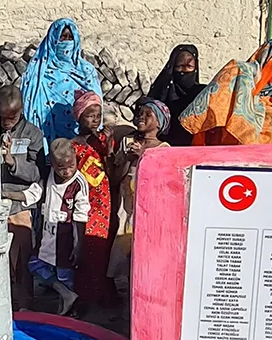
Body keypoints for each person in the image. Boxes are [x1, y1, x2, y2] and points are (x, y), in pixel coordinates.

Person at [180, 40, 272, 145]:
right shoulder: (239, 73)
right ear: (268, 59)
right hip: (223, 153)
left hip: (263, 163)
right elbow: (210, 108)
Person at [20, 140, 90, 316]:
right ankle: (65, 295)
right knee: (34, 264)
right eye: (61, 168)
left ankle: (69, 312)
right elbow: (34, 193)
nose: (67, 171)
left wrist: (79, 245)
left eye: (71, 166)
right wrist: (7, 194)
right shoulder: (47, 175)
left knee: (65, 275)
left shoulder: (79, 183)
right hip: (47, 236)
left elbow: (81, 217)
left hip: (66, 238)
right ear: (52, 163)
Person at [71, 90, 126, 305]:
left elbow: (112, 173)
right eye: (90, 115)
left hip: (105, 201)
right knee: (87, 249)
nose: (95, 120)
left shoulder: (104, 141)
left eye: (98, 115)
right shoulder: (73, 145)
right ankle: (87, 297)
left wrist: (110, 148)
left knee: (104, 246)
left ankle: (104, 294)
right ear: (79, 116)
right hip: (84, 203)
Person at [0, 85, 47, 306]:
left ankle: (25, 301)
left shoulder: (33, 134)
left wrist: (14, 163)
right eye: (2, 116)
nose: (7, 122)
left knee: (22, 256)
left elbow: (38, 173)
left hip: (19, 205)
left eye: (12, 117)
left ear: (22, 109)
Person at [109, 99, 170, 287]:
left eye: (148, 114)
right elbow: (116, 177)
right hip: (125, 209)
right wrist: (127, 159)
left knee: (143, 255)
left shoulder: (164, 149)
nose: (141, 116)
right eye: (140, 113)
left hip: (147, 212)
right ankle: (124, 301)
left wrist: (143, 157)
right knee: (122, 255)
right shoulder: (128, 142)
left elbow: (162, 185)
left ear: (159, 123)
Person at [21, 18, 103, 142]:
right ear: (53, 39)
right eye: (62, 37)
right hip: (47, 137)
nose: (67, 42)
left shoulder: (86, 71)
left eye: (70, 38)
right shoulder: (38, 72)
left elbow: (97, 104)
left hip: (82, 140)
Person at [148, 44, 204, 146]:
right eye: (179, 66)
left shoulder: (202, 93)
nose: (184, 71)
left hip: (194, 147)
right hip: (163, 146)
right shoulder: (161, 91)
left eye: (189, 67)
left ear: (195, 67)